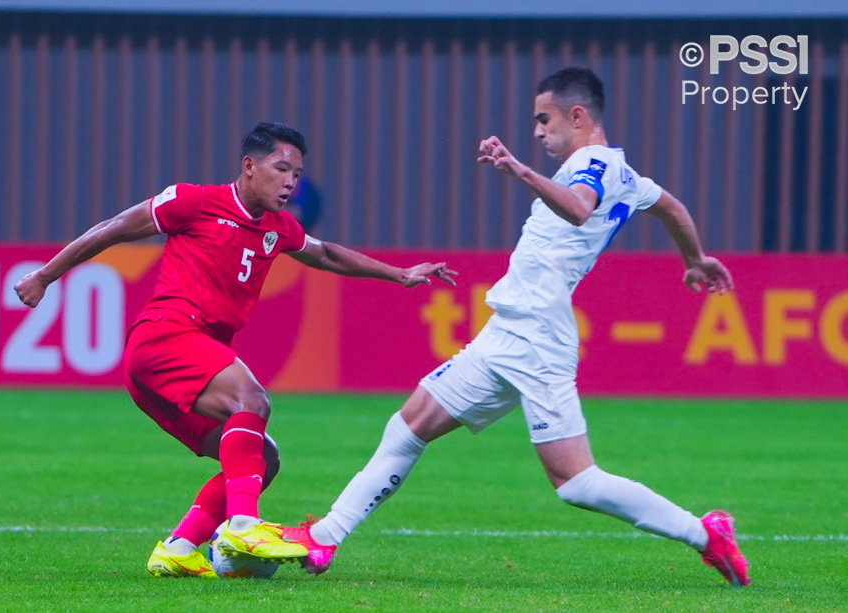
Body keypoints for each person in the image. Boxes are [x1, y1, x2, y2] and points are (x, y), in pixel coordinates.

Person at [282, 68, 750, 587]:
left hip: (538, 337)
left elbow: (578, 210)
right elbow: (673, 209)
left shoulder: (591, 163)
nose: (537, 131)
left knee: (575, 482)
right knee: (409, 426)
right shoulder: (628, 176)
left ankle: (706, 533)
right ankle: (325, 537)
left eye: (543, 119)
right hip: (509, 331)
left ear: (578, 116)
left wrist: (519, 170)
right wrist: (696, 257)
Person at [14, 121, 457, 578]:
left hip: (167, 370)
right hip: (165, 336)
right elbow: (114, 228)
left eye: (297, 175)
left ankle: (180, 547)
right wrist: (45, 276)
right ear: (249, 166)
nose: (290, 182)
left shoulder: (280, 228)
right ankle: (243, 525)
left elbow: (326, 255)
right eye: (281, 169)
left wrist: (399, 274)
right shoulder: (195, 201)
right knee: (253, 400)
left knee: (262, 459)